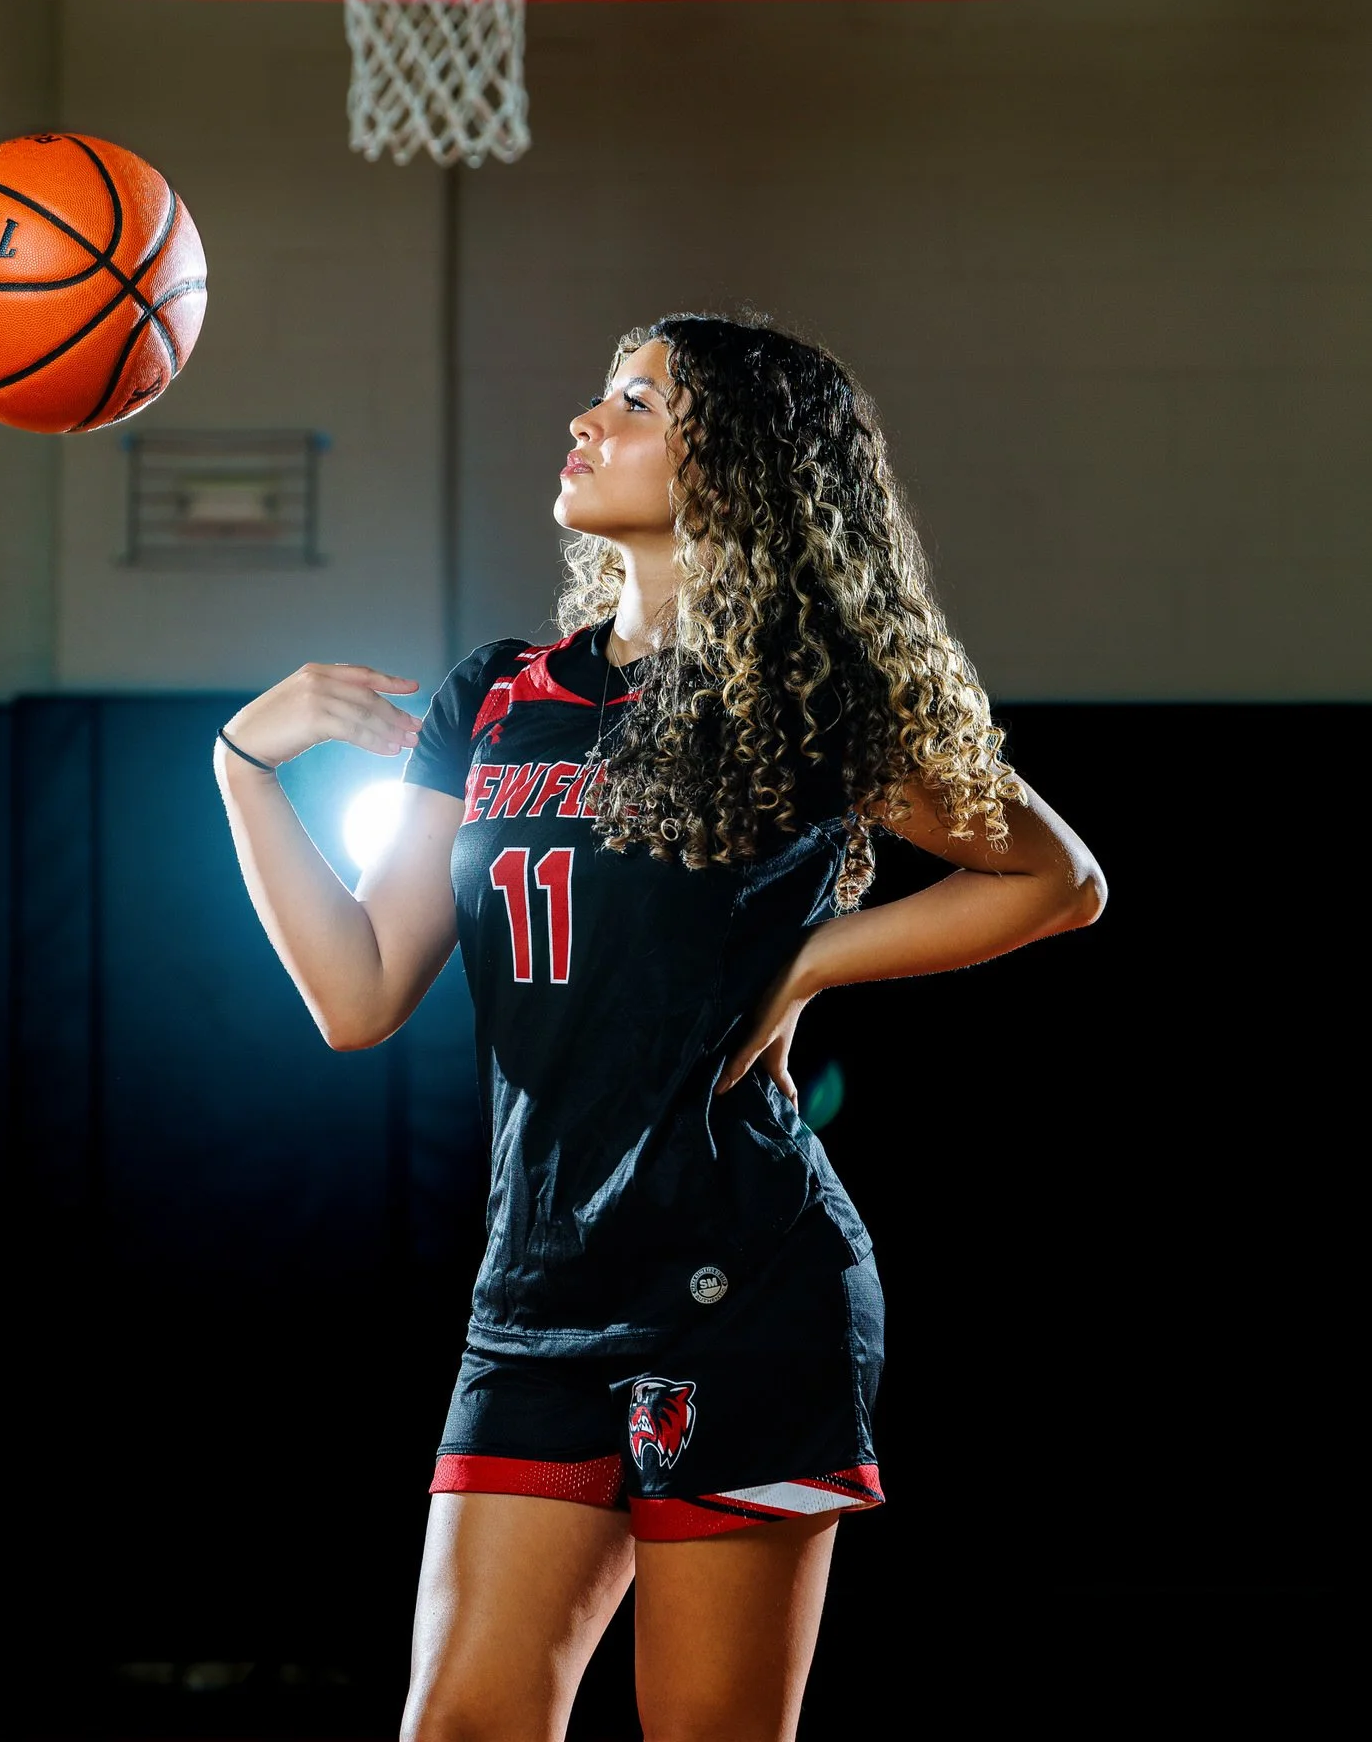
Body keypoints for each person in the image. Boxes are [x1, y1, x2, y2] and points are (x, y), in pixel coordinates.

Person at [214, 312, 1106, 1742]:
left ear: (741, 467)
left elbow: (1058, 881)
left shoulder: (805, 699)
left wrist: (810, 959)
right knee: (458, 1726)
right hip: (535, 1294)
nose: (585, 420)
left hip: (739, 1278)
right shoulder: (497, 698)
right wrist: (245, 768)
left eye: (633, 400)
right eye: (598, 393)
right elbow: (360, 993)